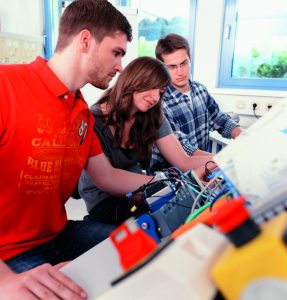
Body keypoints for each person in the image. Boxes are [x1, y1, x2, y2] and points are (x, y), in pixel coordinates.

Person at [0, 1, 156, 299]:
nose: (121, 66)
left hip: (57, 235)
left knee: (142, 247)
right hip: (8, 252)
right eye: (116, 52)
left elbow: (106, 176)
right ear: (85, 40)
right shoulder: (6, 85)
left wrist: (169, 180)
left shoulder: (82, 111)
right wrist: (4, 280)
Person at [78, 56, 213, 226]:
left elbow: (183, 160)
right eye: (152, 87)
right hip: (103, 198)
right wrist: (168, 182)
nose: (156, 97)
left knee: (184, 213)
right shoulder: (94, 120)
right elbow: (108, 179)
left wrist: (223, 159)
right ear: (134, 80)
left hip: (139, 187)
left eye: (161, 91)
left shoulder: (153, 115)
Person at [150, 33, 242, 172]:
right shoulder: (160, 102)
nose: (180, 72)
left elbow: (222, 121)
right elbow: (185, 150)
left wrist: (245, 137)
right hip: (172, 179)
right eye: (172, 67)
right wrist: (224, 161)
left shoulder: (200, 90)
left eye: (183, 63)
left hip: (203, 168)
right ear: (161, 67)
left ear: (190, 58)